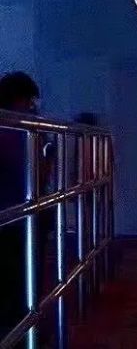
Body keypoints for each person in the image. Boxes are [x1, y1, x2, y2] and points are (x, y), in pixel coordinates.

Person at [0, 72, 41, 336]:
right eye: (29, 100)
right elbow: (40, 173)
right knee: (21, 278)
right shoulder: (25, 126)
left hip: (12, 212)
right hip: (20, 213)